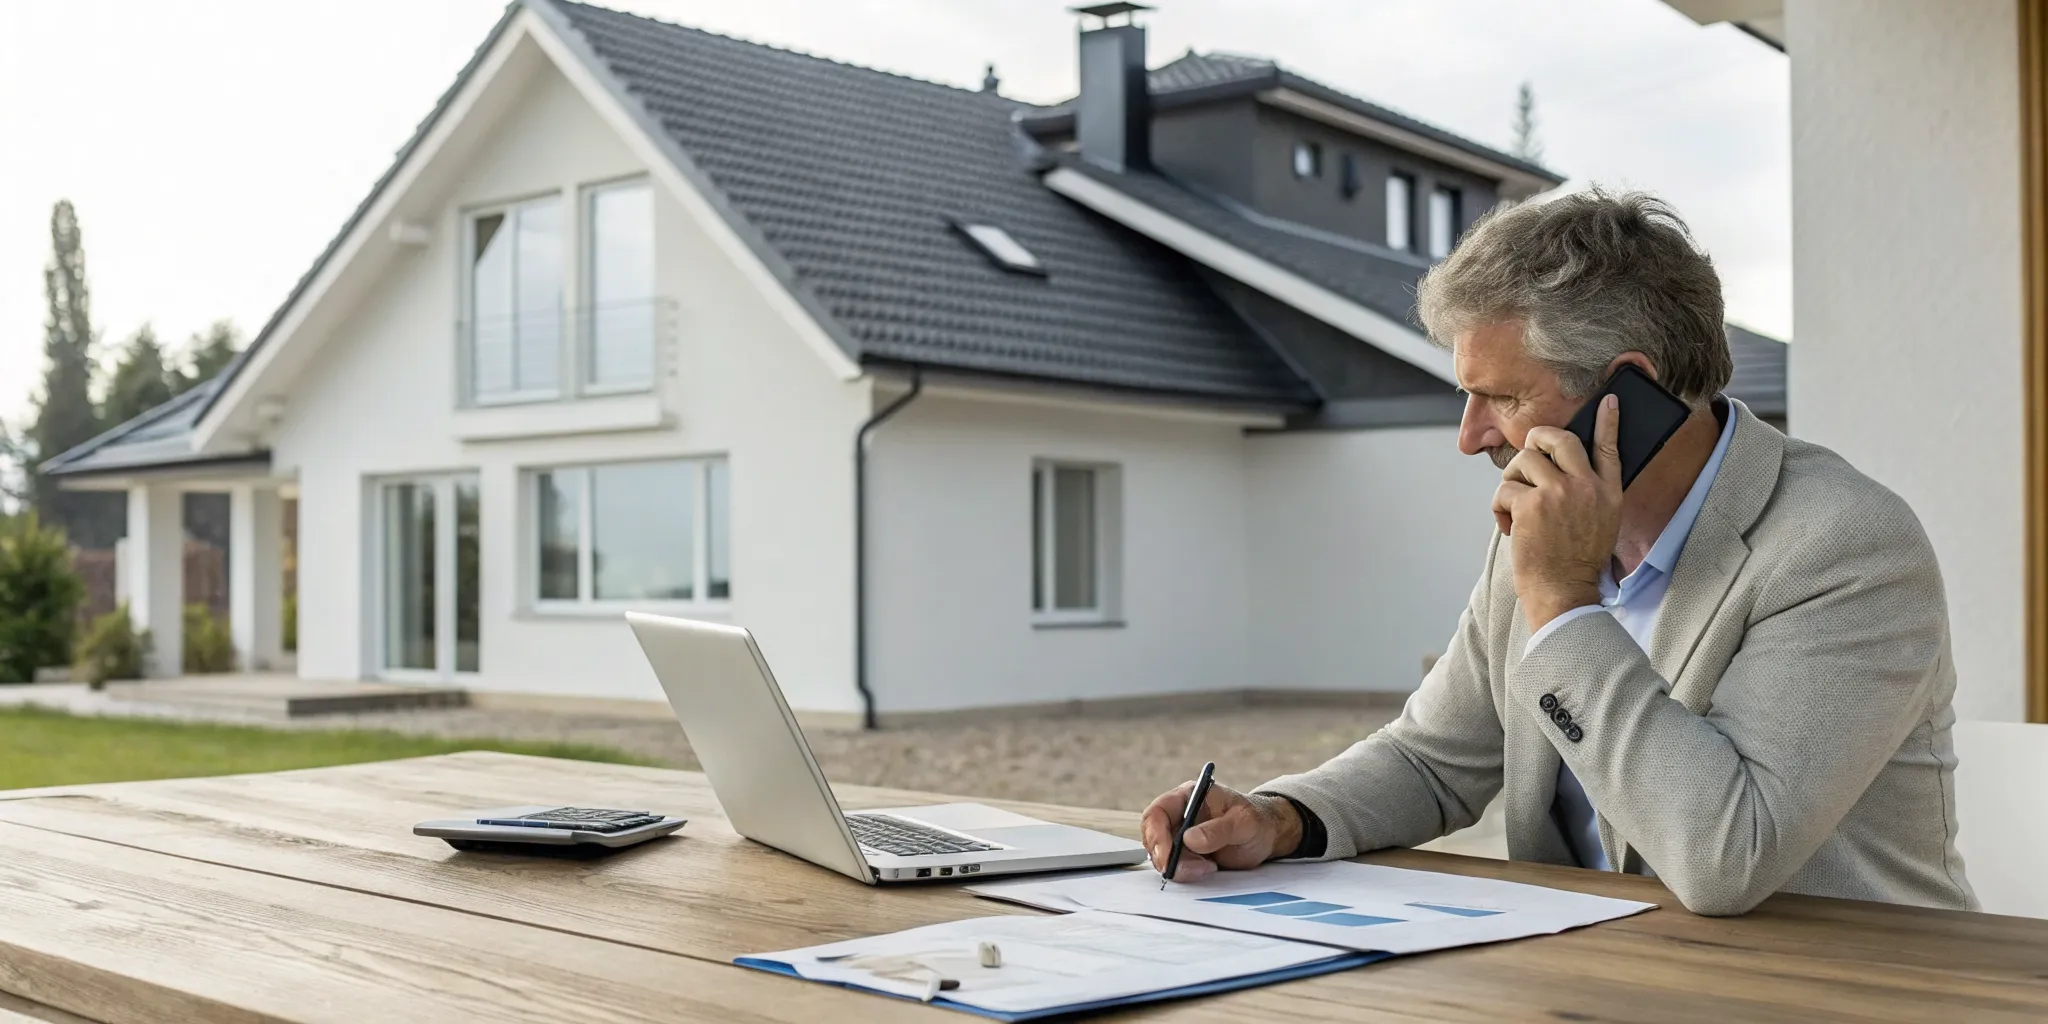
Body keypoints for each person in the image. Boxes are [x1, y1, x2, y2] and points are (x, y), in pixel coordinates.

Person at [1140, 188, 1976, 917]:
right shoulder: (1543, 536)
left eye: (1499, 397)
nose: (1470, 439)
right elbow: (1435, 759)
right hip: (1598, 977)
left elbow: (1728, 856)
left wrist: (1566, 604)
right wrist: (1279, 818)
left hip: (1843, 986)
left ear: (1627, 393)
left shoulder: (1845, 548)